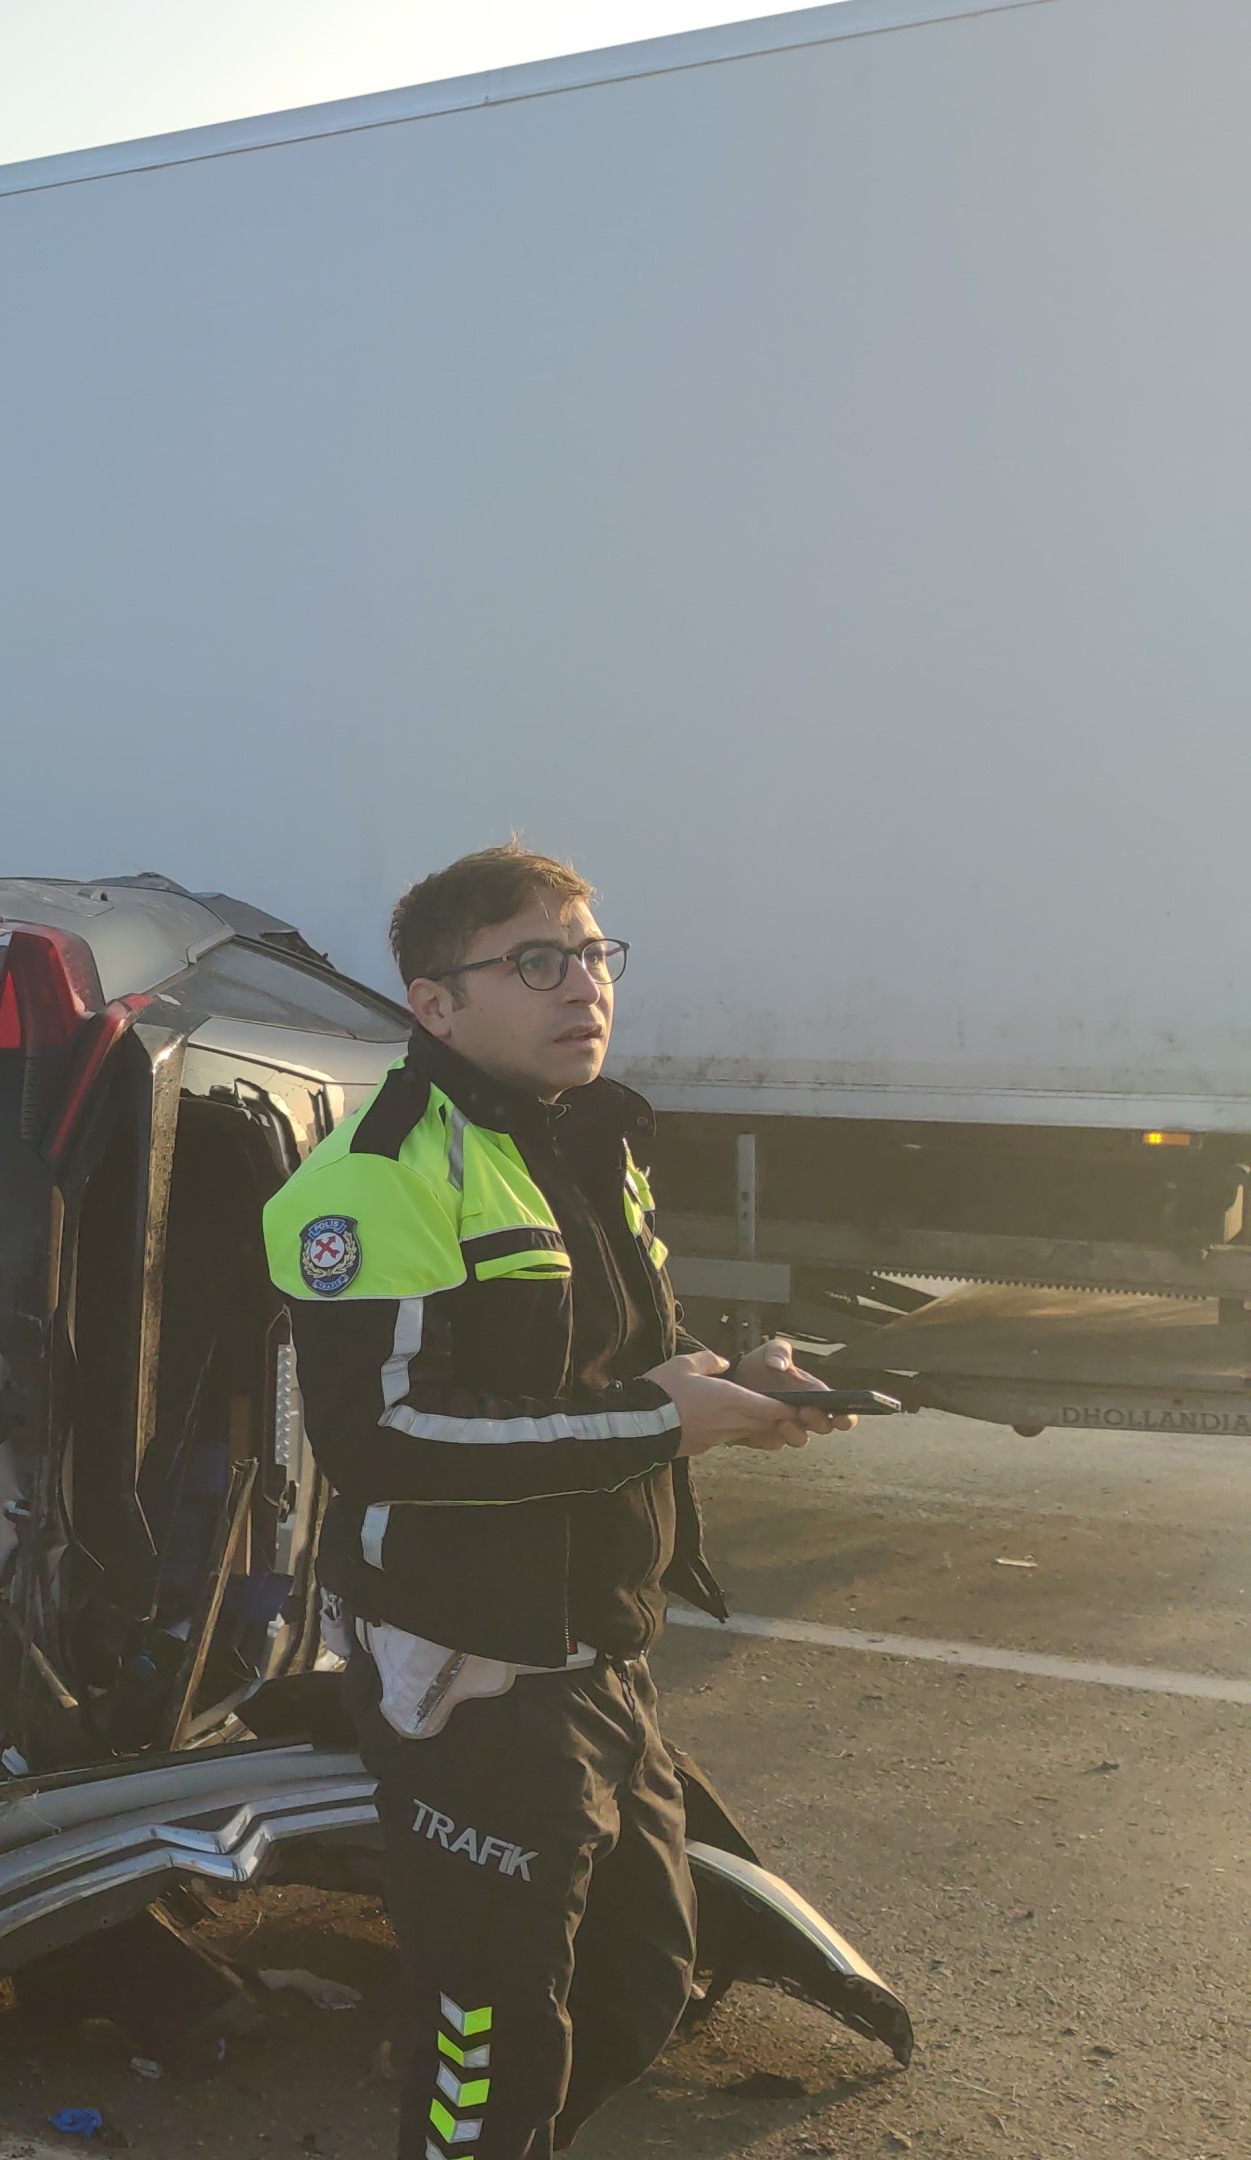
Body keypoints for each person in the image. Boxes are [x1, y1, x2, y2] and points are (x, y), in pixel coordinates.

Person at [262, 844, 843, 2160]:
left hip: (600, 1650)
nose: (584, 986)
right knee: (487, 2037)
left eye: (592, 955)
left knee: (639, 1983)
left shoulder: (589, 1142)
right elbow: (385, 1438)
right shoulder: (376, 1176)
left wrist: (735, 1382)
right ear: (435, 1003)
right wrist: (660, 1422)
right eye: (536, 961)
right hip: (472, 1669)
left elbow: (620, 1356)